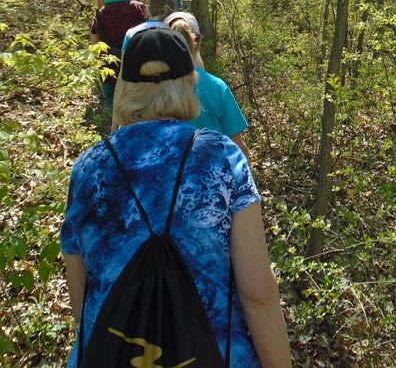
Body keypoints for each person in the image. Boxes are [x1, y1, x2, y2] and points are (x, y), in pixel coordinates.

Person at [60, 28, 292, 368]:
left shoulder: (90, 167)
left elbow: (80, 296)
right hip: (219, 354)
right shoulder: (221, 157)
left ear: (124, 88)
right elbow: (258, 294)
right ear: (190, 82)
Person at [164, 12, 251, 161]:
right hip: (211, 176)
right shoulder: (216, 86)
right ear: (197, 42)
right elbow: (238, 147)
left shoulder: (150, 87)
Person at [90, 0, 147, 110]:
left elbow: (95, 45)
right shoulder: (139, 9)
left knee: (113, 109)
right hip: (136, 70)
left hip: (110, 71)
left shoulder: (100, 13)